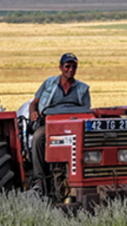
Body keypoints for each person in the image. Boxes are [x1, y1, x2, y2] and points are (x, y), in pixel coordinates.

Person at [28, 53, 91, 191]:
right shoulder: (49, 84)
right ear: (61, 67)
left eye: (74, 67)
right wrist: (33, 112)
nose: (71, 69)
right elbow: (34, 103)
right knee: (38, 138)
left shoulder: (83, 89)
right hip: (50, 124)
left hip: (74, 125)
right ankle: (39, 179)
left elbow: (87, 112)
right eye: (67, 66)